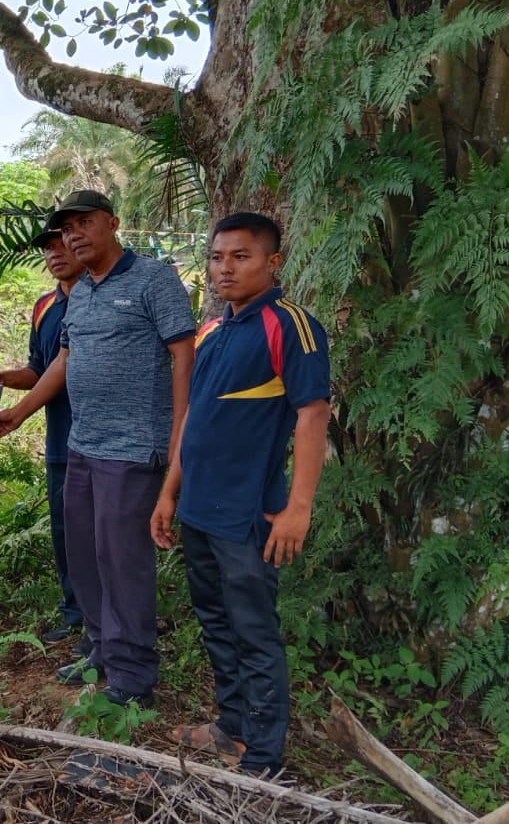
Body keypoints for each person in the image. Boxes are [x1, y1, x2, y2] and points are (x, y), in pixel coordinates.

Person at [0, 189, 195, 708]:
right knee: (83, 554)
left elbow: (184, 359)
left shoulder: (154, 280)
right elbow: (64, 359)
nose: (74, 235)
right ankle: (101, 649)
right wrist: (21, 411)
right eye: (66, 228)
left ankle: (132, 677)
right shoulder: (79, 292)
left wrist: (177, 441)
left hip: (132, 449)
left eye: (84, 223)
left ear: (112, 223)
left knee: (122, 560)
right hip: (82, 445)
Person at [151, 212, 330, 777]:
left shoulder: (290, 326)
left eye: (241, 256)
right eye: (216, 257)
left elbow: (312, 414)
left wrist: (298, 508)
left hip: (249, 513)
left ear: (273, 262)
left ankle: (264, 755)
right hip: (199, 508)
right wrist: (168, 494)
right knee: (214, 619)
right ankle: (231, 727)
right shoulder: (211, 331)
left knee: (253, 628)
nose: (224, 268)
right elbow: (194, 422)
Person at [0, 229, 87, 649]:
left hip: (101, 442)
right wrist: (2, 378)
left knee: (94, 533)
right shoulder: (45, 307)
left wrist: (20, 413)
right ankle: (74, 612)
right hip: (60, 440)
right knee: (65, 531)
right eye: (47, 248)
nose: (55, 254)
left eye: (62, 244)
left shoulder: (97, 300)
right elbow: (42, 370)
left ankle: (100, 625)